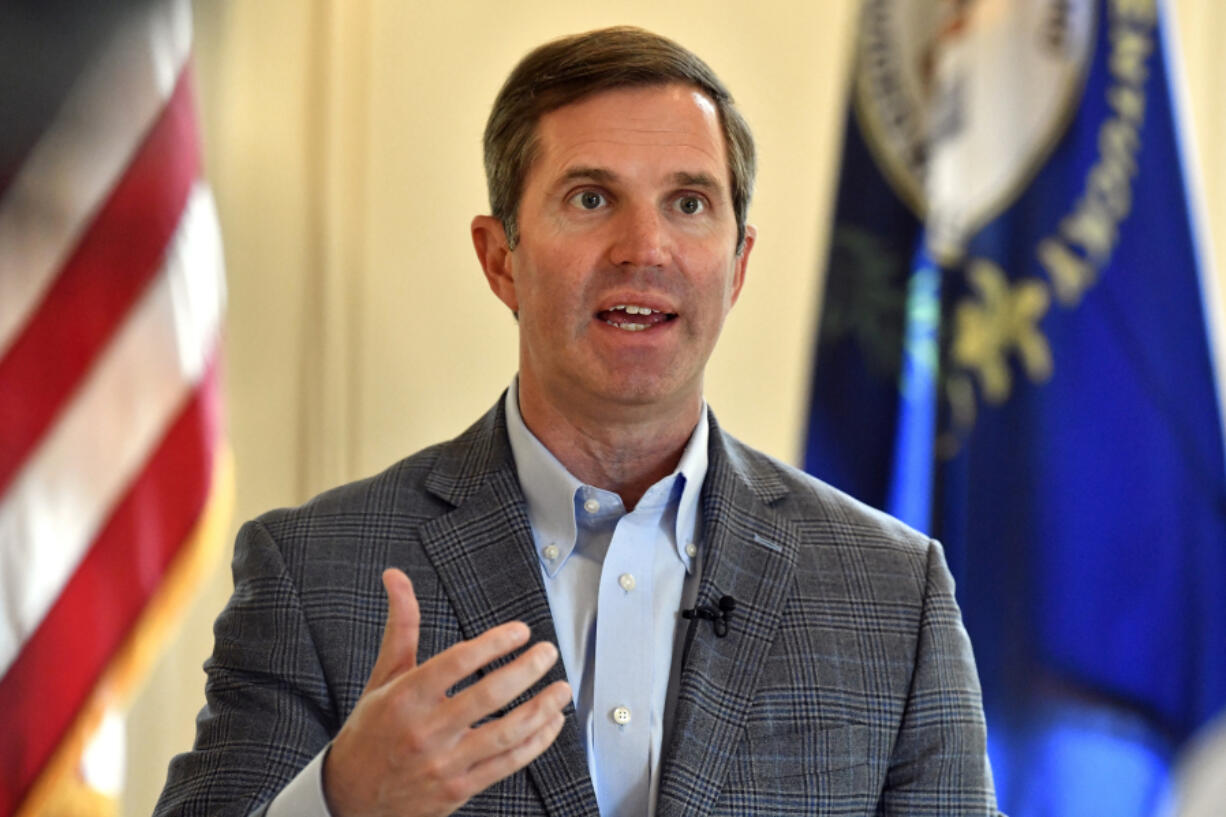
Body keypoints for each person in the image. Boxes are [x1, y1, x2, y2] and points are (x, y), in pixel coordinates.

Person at [155, 26, 999, 817]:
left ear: (738, 266)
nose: (645, 247)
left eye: (690, 204)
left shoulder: (895, 592)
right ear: (500, 258)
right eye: (592, 197)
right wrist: (340, 801)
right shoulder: (312, 571)